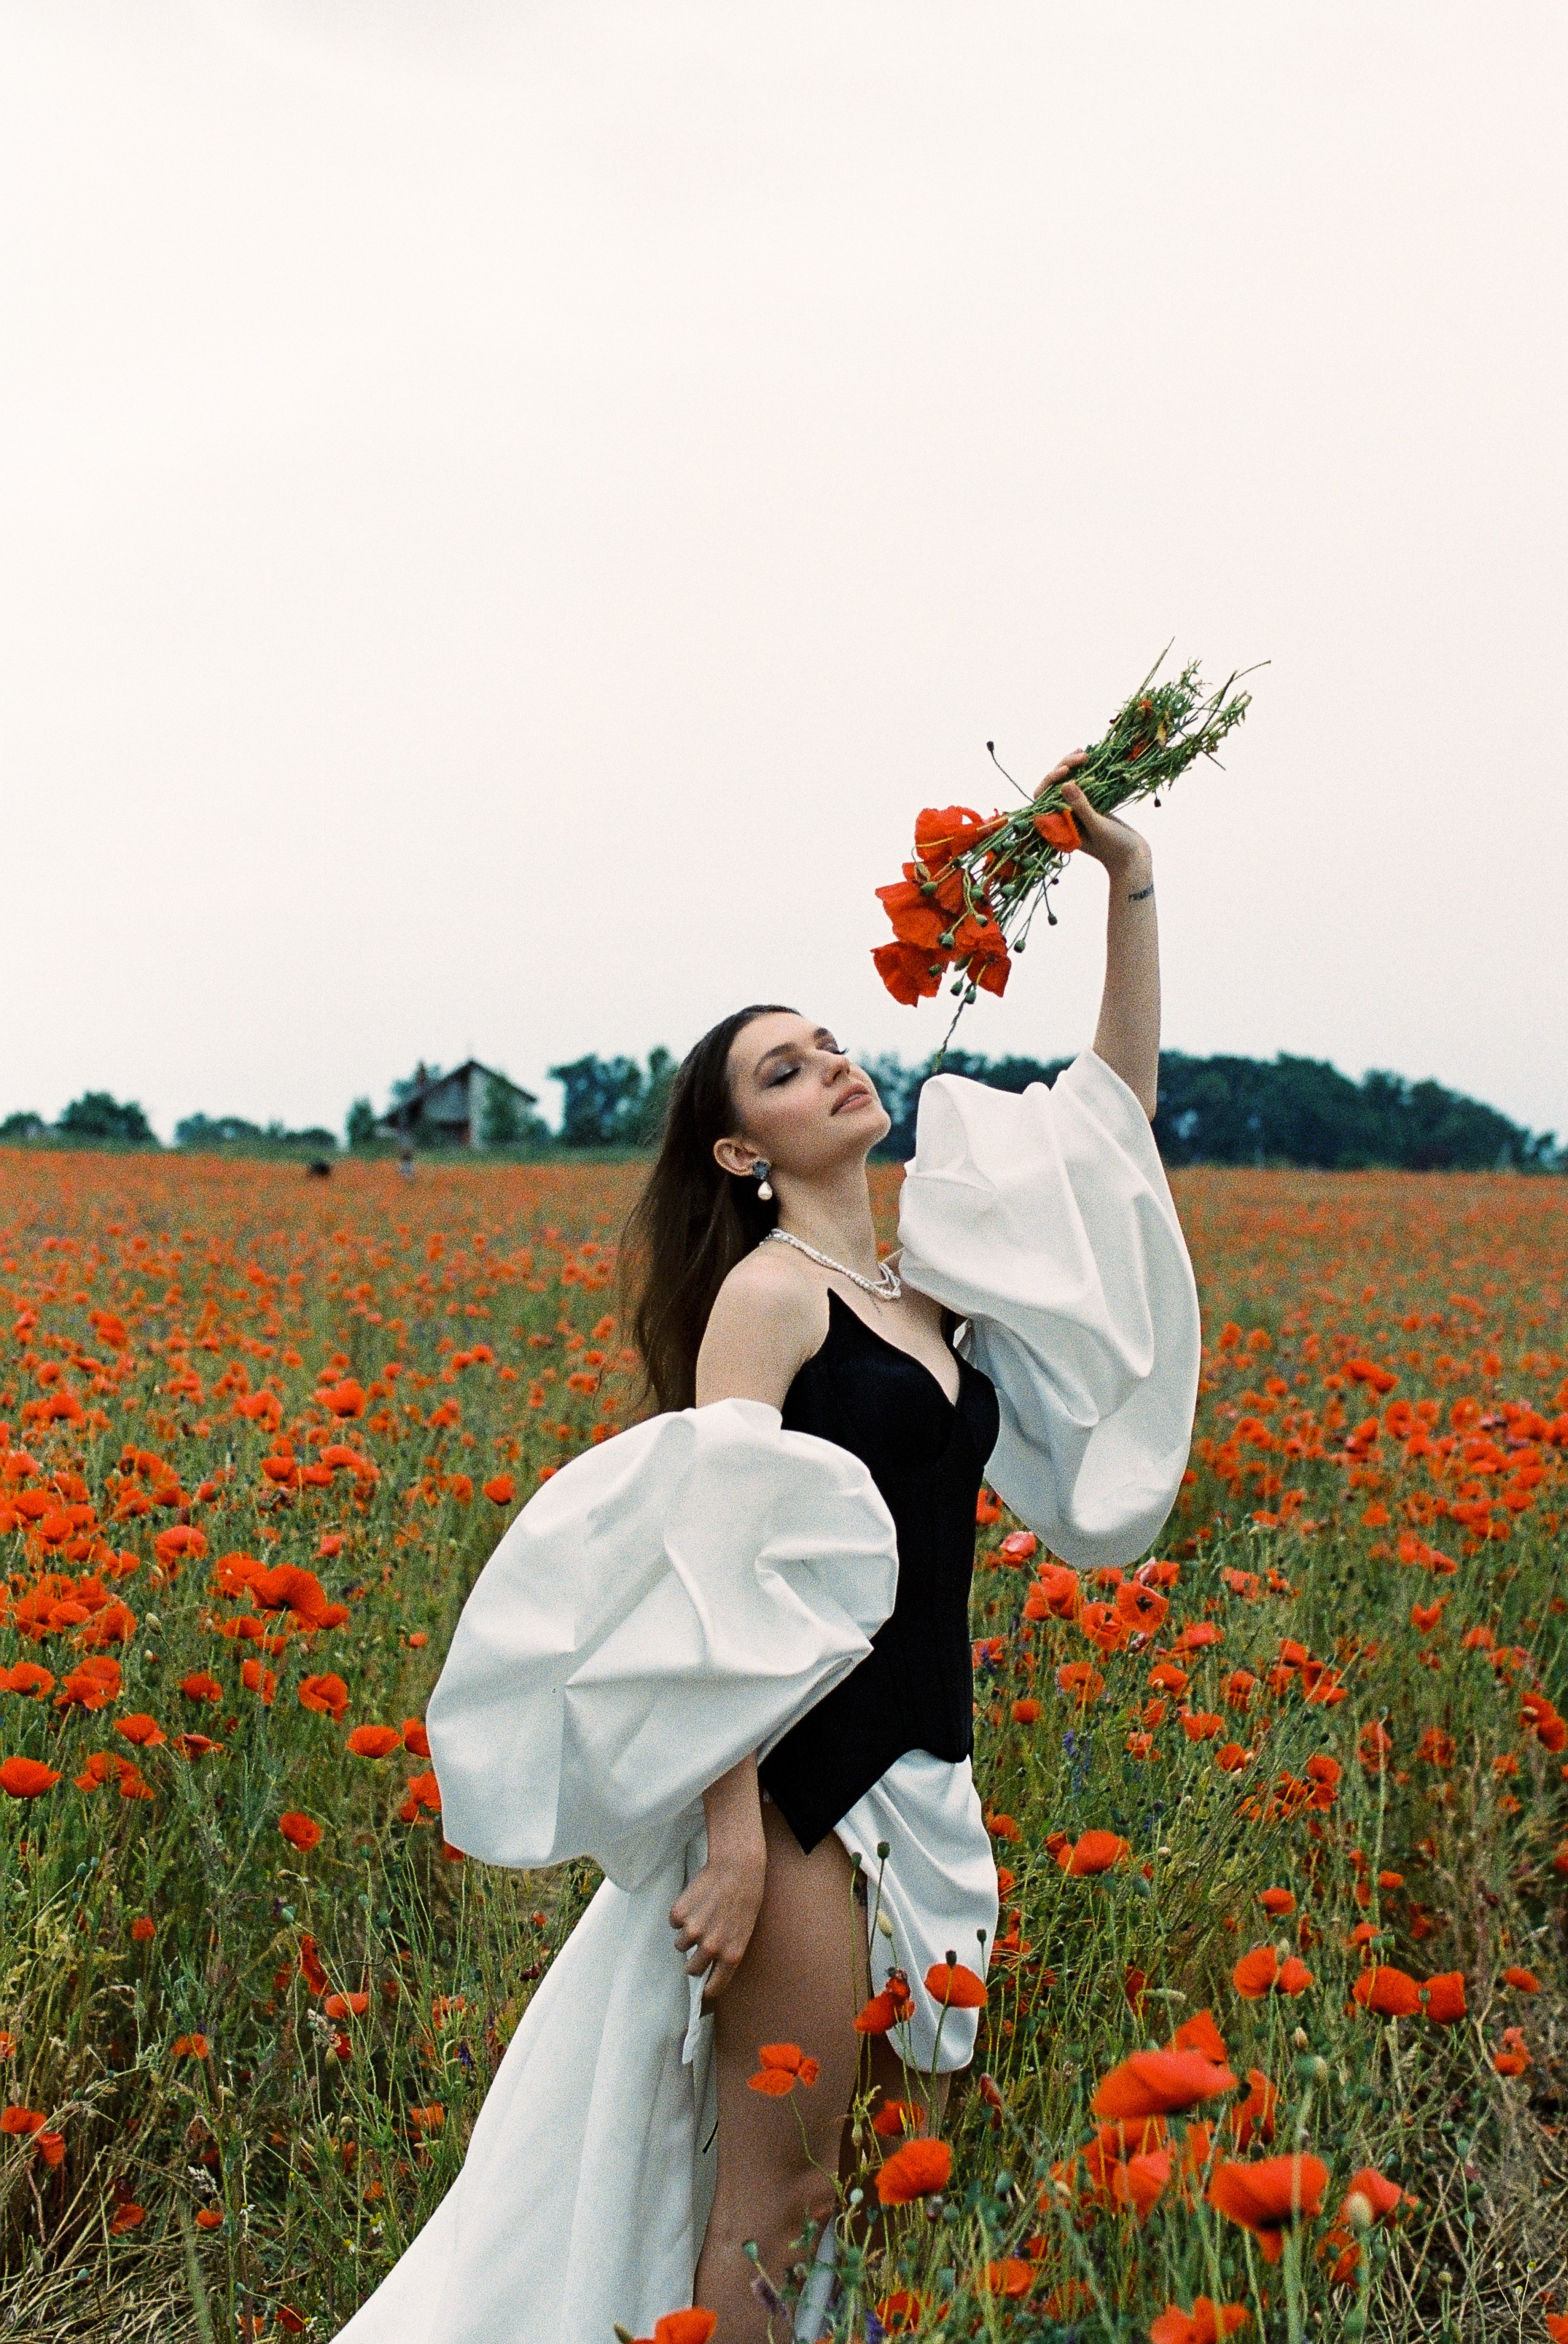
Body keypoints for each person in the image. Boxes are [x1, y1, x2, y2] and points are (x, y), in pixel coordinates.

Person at [330, 762, 1201, 2344]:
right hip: (799, 1785)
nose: (833, 1068)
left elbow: (1110, 1127)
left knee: (867, 2198)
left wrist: (1126, 879)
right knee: (776, 2204)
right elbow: (710, 1567)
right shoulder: (771, 1300)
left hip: (932, 1773)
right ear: (742, 1153)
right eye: (784, 1072)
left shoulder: (931, 1287)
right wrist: (727, 1833)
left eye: (830, 1044)